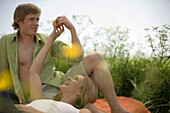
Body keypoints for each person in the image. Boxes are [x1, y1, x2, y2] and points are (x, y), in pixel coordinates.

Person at [0, 3, 129, 113]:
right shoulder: (5, 42)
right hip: (38, 93)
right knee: (87, 108)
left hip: (60, 82)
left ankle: (116, 109)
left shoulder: (46, 39)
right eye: (31, 19)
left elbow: (76, 57)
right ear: (19, 21)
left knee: (96, 58)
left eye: (38, 20)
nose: (36, 24)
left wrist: (72, 29)